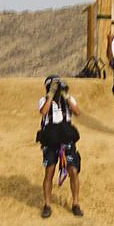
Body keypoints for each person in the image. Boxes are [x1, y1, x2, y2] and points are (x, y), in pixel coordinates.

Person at [36, 75, 84, 218]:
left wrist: (66, 95)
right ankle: (47, 204)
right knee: (49, 171)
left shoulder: (68, 100)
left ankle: (75, 203)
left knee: (73, 170)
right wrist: (50, 95)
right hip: (50, 139)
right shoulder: (43, 100)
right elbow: (43, 111)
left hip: (66, 137)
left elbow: (77, 112)